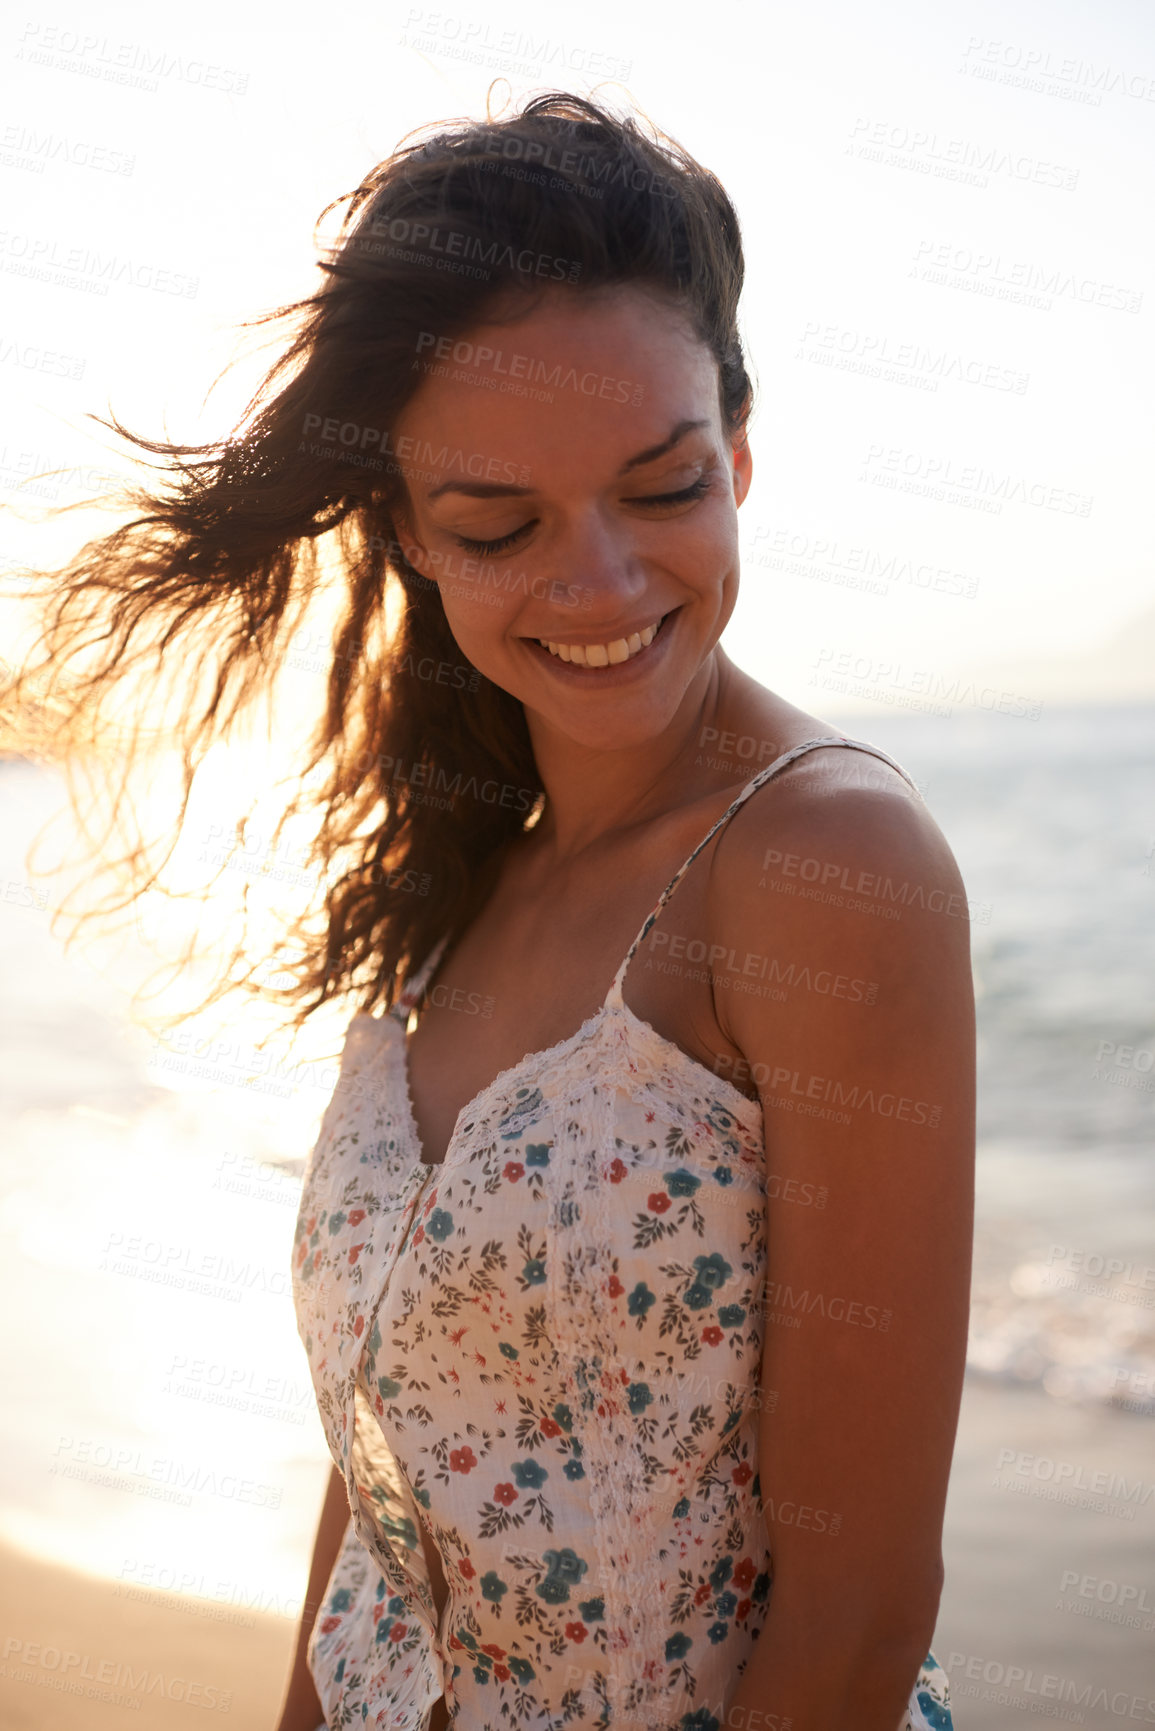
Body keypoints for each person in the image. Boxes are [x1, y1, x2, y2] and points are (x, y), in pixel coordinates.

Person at [12, 89, 970, 1731]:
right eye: (498, 525)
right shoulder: (465, 870)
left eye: (664, 487)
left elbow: (859, 1622)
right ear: (404, 528)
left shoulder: (827, 870)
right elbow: (384, 1470)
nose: (597, 582)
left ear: (739, 451)